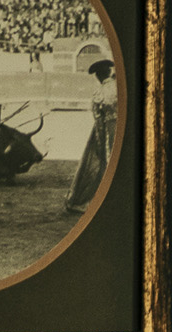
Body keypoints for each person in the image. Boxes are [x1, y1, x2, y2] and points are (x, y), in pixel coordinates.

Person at [65, 48, 116, 217]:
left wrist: (99, 143)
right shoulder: (120, 86)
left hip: (109, 129)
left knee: (106, 162)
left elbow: (98, 119)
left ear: (99, 76)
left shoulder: (99, 92)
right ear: (109, 73)